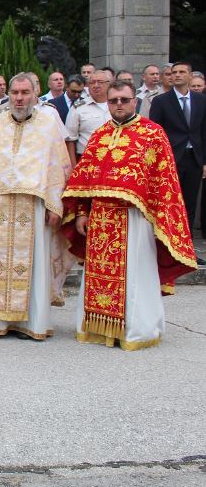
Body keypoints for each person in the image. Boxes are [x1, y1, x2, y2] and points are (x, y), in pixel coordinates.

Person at [62, 80, 196, 350]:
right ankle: (97, 327)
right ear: (108, 103)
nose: (119, 105)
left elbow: (165, 183)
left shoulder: (153, 134)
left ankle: (136, 331)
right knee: (98, 276)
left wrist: (157, 218)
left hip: (135, 219)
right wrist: (81, 212)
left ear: (135, 101)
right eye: (113, 101)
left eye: (124, 99)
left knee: (136, 276)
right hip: (100, 220)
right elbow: (84, 179)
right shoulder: (99, 135)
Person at [0, 74, 73, 340]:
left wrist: (55, 206)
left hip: (33, 206)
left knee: (33, 263)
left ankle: (30, 323)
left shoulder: (48, 125)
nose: (19, 98)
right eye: (15, 92)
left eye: (25, 92)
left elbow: (58, 167)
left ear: (35, 94)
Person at [148, 61, 206, 239]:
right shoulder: (161, 101)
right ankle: (170, 241)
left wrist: (204, 161)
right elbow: (155, 133)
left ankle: (187, 243)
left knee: (190, 202)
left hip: (194, 158)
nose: (178, 75)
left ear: (190, 76)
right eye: (174, 72)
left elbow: (203, 131)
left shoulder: (201, 100)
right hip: (171, 159)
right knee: (171, 201)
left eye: (182, 72)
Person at [65, 69, 111, 166]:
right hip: (87, 160)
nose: (96, 85)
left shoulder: (117, 104)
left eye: (100, 82)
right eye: (92, 82)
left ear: (109, 84)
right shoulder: (78, 107)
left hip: (114, 158)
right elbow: (70, 140)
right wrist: (73, 166)